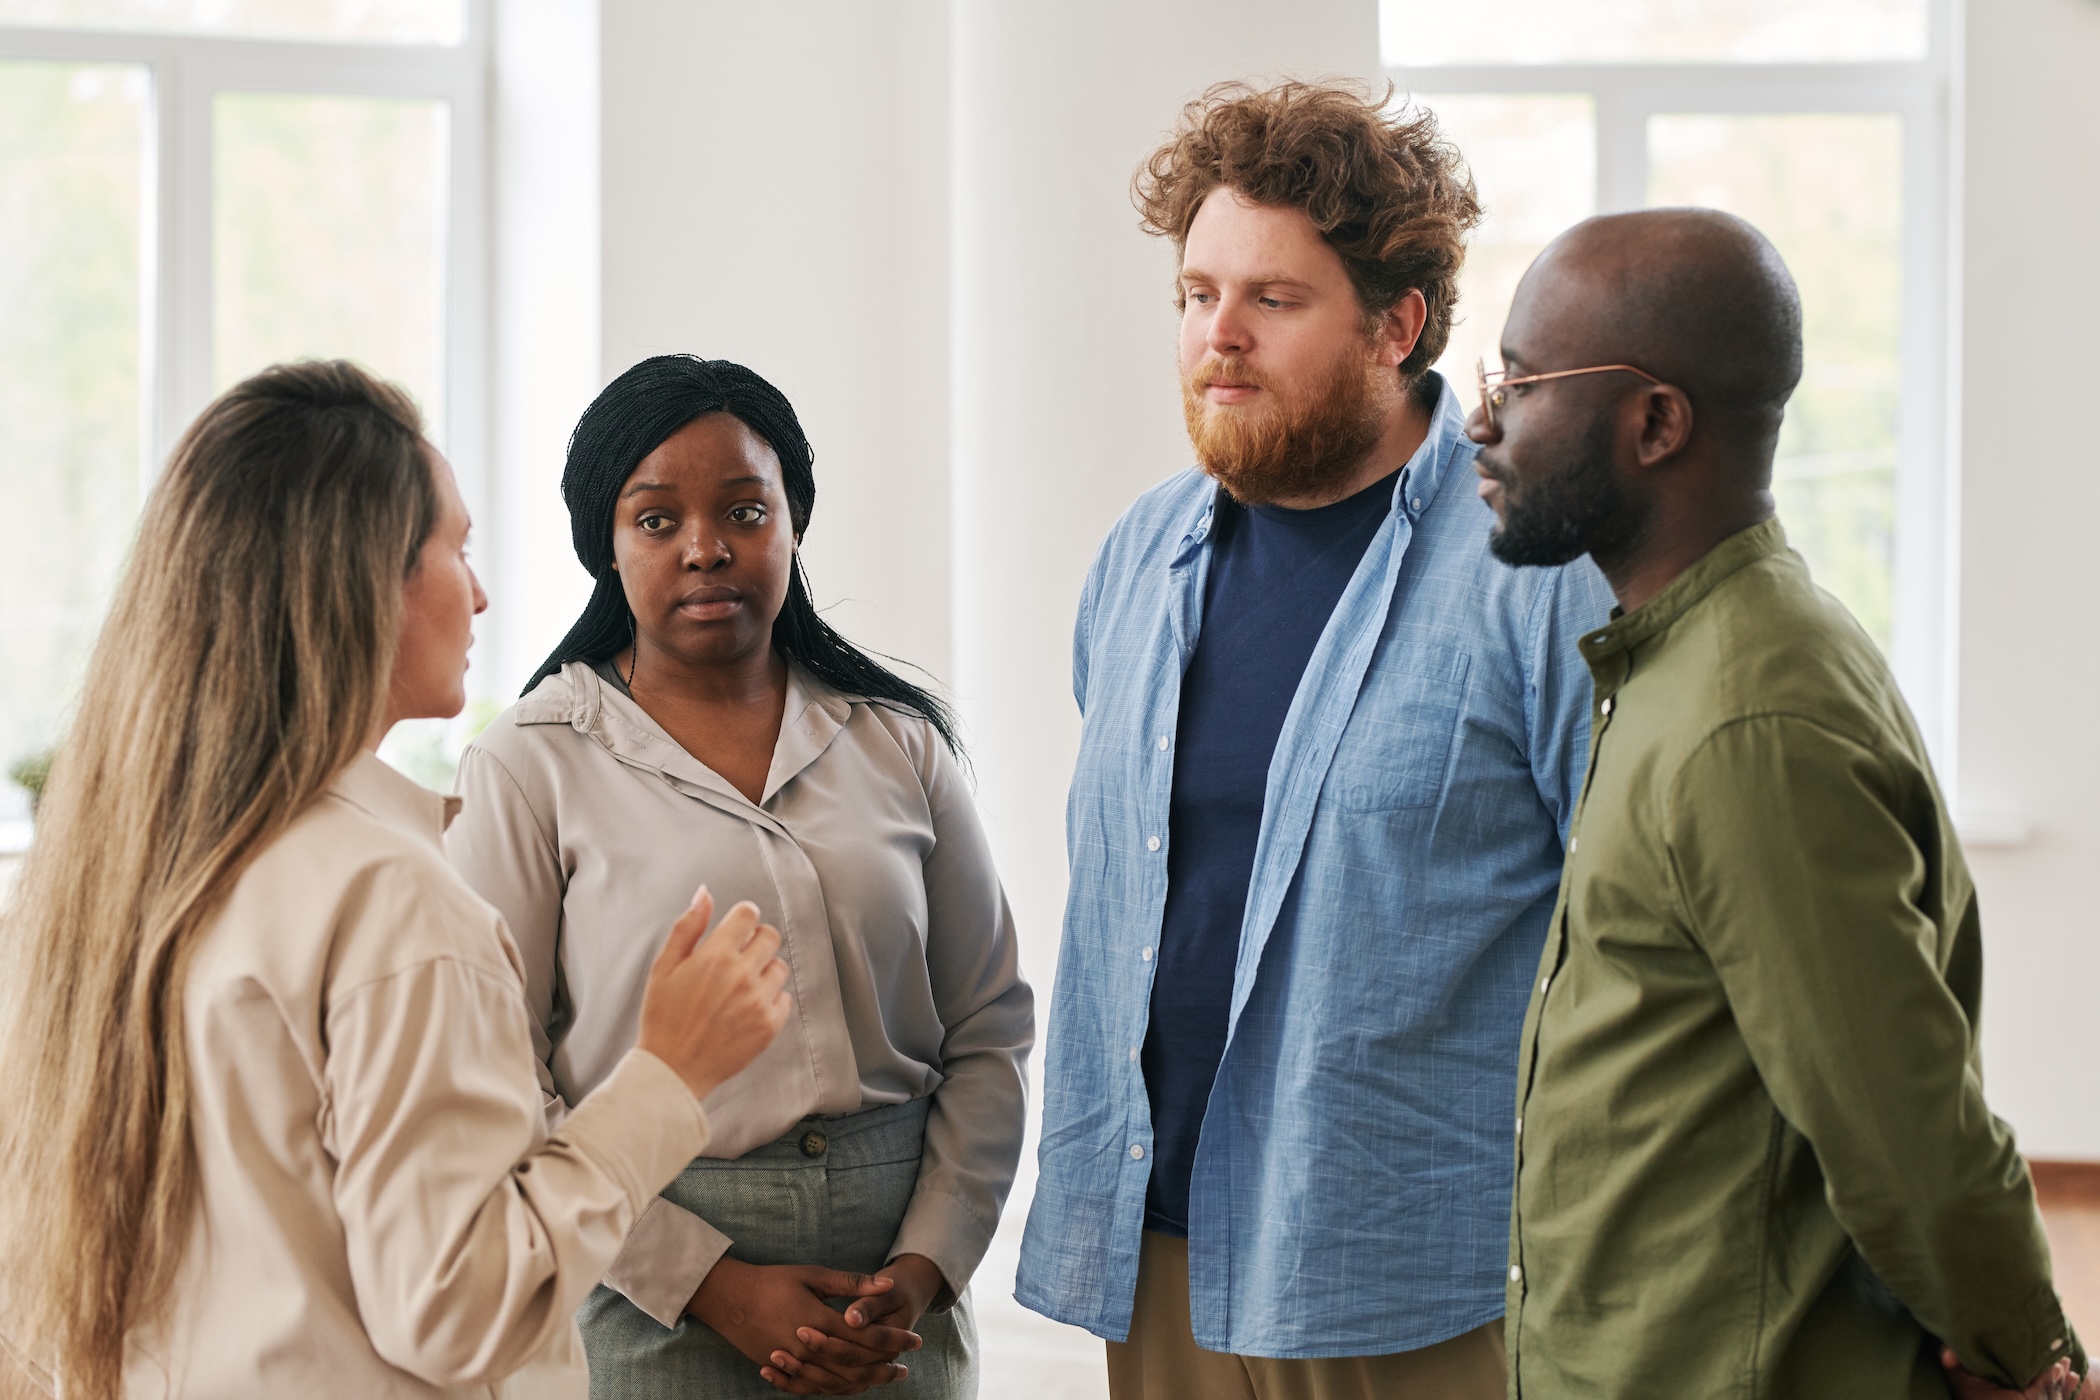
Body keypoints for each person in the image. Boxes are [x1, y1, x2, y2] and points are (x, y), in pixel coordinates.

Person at [0, 361, 793, 1400]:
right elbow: (457, 1308)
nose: (481, 591)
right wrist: (669, 1071)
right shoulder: (390, 899)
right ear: (365, 580)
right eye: (457, 549)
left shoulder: (95, 884)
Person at [1014, 81, 1614, 1400]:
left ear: (1398, 325)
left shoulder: (1537, 573)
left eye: (1272, 300)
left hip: (1406, 1270)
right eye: (1196, 294)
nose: (1217, 336)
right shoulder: (1139, 558)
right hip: (1154, 1250)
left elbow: (1631, 935)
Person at [1473, 206, 2094, 1400]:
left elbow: (1907, 1123)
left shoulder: (1746, 717)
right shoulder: (1683, 657)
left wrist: (2033, 1359)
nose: (1483, 422)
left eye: (1525, 381)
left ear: (1657, 423)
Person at [445, 355, 1032, 1399]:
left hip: (894, 1303)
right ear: (605, 547)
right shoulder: (530, 764)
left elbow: (989, 1029)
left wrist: (924, 1265)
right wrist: (708, 1281)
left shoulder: (898, 744)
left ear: (793, 525)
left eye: (745, 512)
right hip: (647, 1291)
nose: (707, 547)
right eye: (656, 520)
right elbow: (495, 1084)